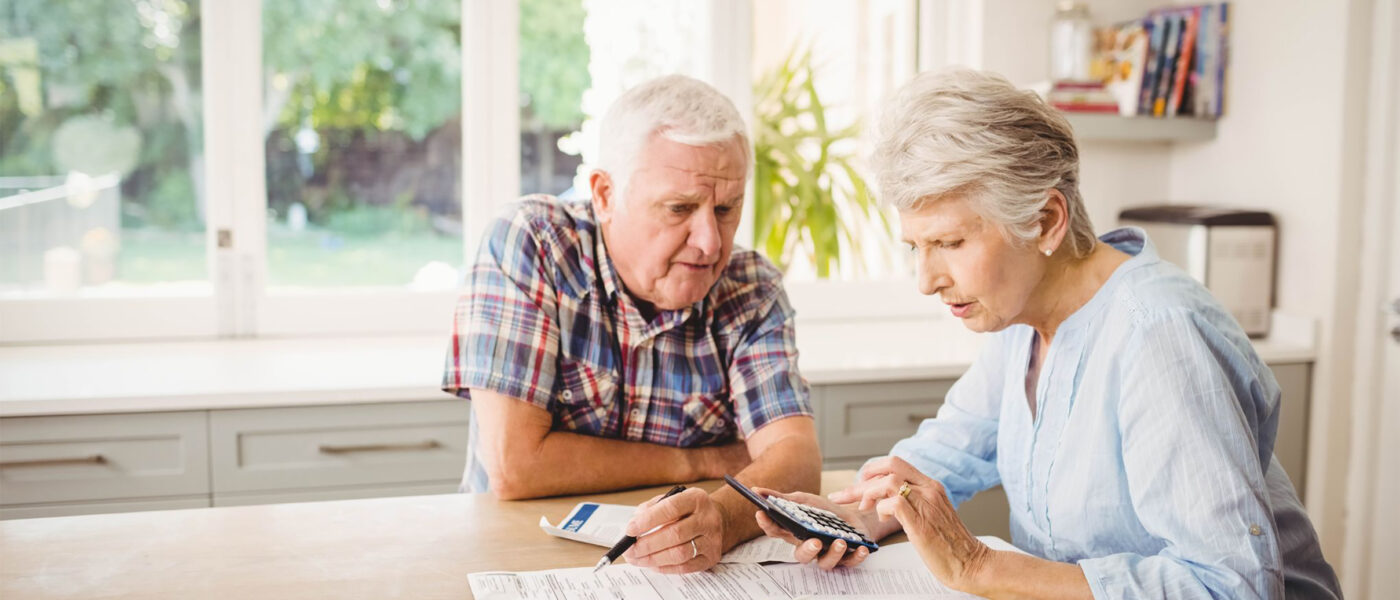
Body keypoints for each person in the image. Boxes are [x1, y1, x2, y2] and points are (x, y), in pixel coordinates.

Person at [754, 68, 1341, 599]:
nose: (927, 281)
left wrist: (979, 567)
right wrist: (860, 514)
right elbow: (951, 450)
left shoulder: (1158, 335)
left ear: (1046, 221)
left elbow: (1235, 586)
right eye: (916, 247)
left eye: (951, 244)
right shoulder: (1020, 319)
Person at [442, 74, 821, 574]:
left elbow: (798, 461)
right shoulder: (533, 242)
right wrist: (703, 462)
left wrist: (723, 519)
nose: (710, 241)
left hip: (688, 569)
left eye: (726, 209)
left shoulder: (751, 287)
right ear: (604, 195)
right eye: (679, 208)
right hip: (519, 560)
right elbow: (515, 467)